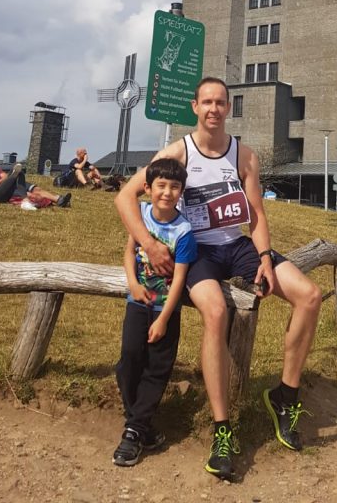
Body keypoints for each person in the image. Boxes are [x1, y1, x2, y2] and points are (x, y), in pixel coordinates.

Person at [116, 76, 322, 482]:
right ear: (195, 106)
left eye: (221, 103)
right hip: (199, 251)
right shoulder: (179, 151)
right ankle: (222, 430)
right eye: (206, 102)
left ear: (229, 108)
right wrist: (150, 246)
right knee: (215, 312)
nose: (213, 109)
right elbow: (125, 196)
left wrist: (264, 255)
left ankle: (284, 396)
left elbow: (257, 212)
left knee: (310, 295)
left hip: (239, 246)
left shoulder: (245, 156)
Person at [113, 157, 197, 468]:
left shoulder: (184, 230)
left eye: (175, 187)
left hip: (164, 310)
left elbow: (180, 278)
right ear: (148, 188)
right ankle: (142, 424)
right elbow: (129, 251)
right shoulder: (141, 215)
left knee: (157, 369)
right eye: (161, 186)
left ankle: (133, 431)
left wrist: (164, 318)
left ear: (181, 192)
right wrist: (133, 284)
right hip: (137, 303)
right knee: (128, 361)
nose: (167, 192)